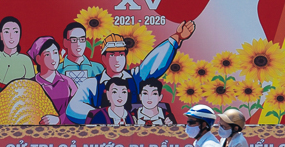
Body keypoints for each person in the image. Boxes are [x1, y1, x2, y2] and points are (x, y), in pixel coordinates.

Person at [66, 21, 195, 124]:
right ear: (104, 58)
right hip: (103, 144)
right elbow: (73, 108)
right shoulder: (92, 84)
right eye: (112, 55)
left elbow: (152, 64)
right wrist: (104, 116)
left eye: (121, 54)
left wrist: (176, 38)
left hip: (134, 142)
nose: (117, 59)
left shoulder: (135, 77)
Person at [27, 36, 77, 124]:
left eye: (55, 53)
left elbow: (77, 110)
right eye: (47, 54)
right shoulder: (31, 86)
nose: (53, 58)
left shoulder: (68, 82)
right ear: (38, 59)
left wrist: (59, 120)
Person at [0, 16, 36, 84]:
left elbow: (31, 86)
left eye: (16, 32)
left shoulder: (26, 60)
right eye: (7, 32)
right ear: (1, 35)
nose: (11, 36)